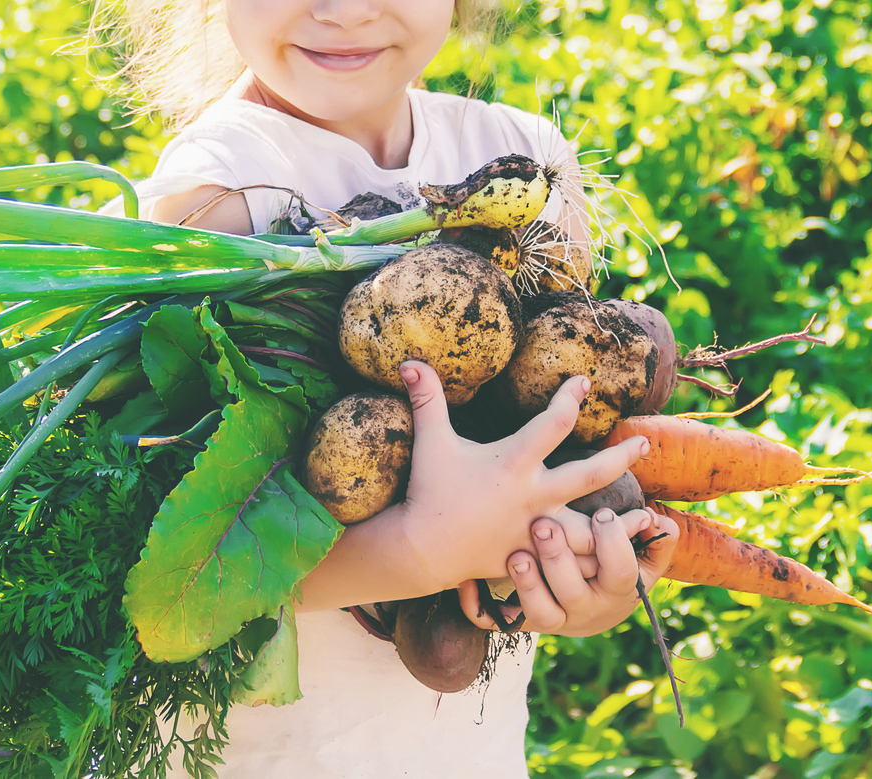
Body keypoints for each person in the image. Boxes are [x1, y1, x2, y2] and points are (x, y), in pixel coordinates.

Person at [93, 1, 680, 775]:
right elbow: (172, 567)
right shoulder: (216, 197)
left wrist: (582, 578)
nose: (343, 10)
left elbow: (564, 416)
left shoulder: (523, 160)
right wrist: (416, 551)